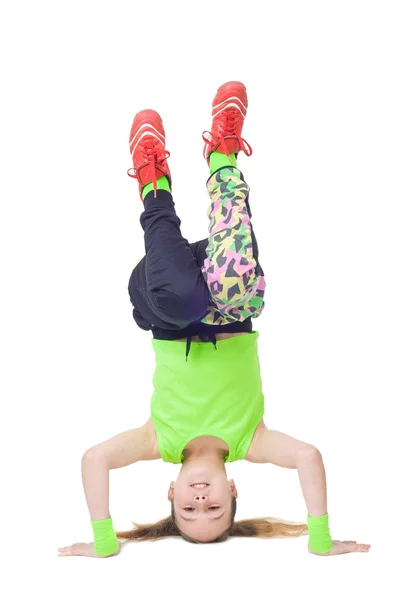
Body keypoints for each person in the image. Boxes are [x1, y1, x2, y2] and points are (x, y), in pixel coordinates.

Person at [58, 82, 370, 558]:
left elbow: (94, 458)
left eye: (187, 511)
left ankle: (153, 183)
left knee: (182, 301)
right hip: (224, 280)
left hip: (162, 295)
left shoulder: (156, 440)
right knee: (240, 294)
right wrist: (321, 539)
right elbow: (308, 457)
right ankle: (223, 156)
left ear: (171, 493)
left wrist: (105, 543)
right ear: (233, 493)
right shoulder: (253, 440)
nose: (200, 501)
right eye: (214, 510)